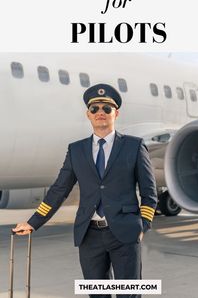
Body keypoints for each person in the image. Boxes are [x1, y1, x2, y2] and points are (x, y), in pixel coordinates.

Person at [13, 83, 157, 298]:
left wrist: (142, 226)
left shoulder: (134, 146)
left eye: (106, 109)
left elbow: (149, 192)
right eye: (95, 109)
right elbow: (59, 190)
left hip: (125, 233)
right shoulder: (76, 150)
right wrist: (33, 222)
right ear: (88, 114)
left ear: (115, 113)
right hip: (89, 235)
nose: (100, 113)